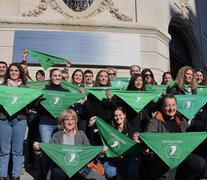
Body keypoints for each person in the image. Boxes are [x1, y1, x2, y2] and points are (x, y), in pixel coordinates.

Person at [133, 94, 206, 180]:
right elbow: (150, 136)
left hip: (181, 157)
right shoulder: (155, 121)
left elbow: (189, 136)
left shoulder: (181, 120)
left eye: (173, 105)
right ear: (162, 107)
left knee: (199, 163)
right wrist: (142, 138)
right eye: (168, 106)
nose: (171, 108)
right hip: (164, 162)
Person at [33, 109, 107, 180]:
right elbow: (48, 155)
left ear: (75, 121)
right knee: (57, 172)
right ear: (63, 121)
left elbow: (89, 153)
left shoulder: (81, 134)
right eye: (67, 120)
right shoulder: (56, 135)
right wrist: (38, 150)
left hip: (79, 168)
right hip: (61, 168)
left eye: (72, 119)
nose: (70, 122)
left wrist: (101, 152)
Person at [89, 107, 139, 180]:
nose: (118, 117)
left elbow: (136, 148)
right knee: (110, 172)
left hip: (125, 160)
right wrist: (91, 126)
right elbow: (93, 138)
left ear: (124, 115)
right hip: (111, 160)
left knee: (133, 162)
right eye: (116, 116)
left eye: (120, 115)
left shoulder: (131, 130)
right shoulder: (109, 130)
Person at [37, 68, 69, 177]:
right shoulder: (43, 91)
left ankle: (54, 174)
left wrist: (81, 101)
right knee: (46, 151)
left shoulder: (66, 92)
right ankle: (46, 173)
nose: (57, 78)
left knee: (58, 151)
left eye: (59, 76)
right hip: (45, 123)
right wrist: (39, 99)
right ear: (51, 77)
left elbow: (69, 109)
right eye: (55, 75)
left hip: (60, 125)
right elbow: (37, 108)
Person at [0, 63, 28, 180]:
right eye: (11, 70)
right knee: (4, 151)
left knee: (17, 150)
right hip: (4, 120)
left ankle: (15, 176)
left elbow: (32, 103)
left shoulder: (26, 88)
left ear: (20, 72)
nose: (14, 72)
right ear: (8, 72)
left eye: (16, 70)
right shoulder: (2, 87)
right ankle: (2, 176)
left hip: (19, 120)